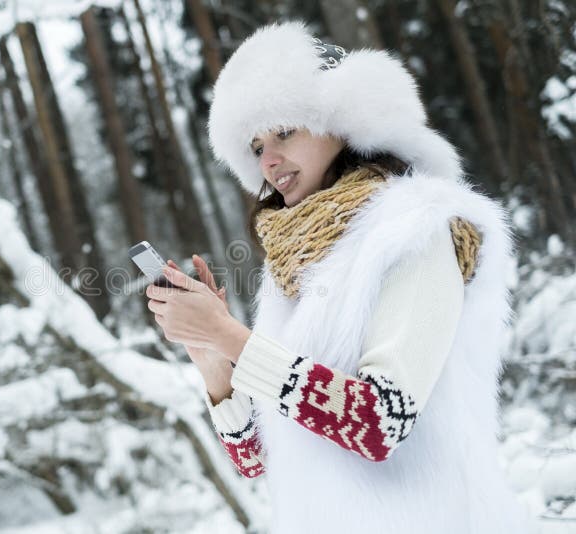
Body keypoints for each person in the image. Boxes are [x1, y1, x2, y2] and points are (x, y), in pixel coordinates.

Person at [144, 21, 535, 534]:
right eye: (256, 146)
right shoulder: (293, 263)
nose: (269, 160)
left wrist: (230, 335)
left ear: (345, 121)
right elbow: (260, 461)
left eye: (285, 131)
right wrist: (213, 358)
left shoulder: (415, 229)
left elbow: (378, 422)